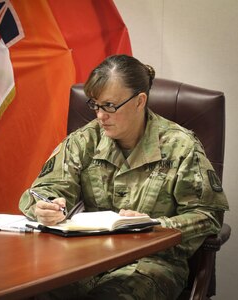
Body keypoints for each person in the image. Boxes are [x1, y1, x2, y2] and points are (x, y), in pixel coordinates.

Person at [19, 54, 229, 299]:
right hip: (85, 259)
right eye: (95, 105)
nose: (100, 116)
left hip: (151, 264)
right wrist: (45, 206)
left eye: (109, 106)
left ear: (140, 101)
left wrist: (155, 226)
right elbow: (45, 189)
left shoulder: (180, 146)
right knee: (30, 291)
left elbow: (208, 216)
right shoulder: (85, 140)